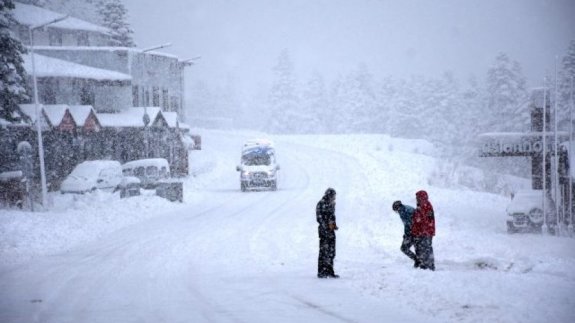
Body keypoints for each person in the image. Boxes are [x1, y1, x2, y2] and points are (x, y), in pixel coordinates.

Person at [316, 187, 339, 278]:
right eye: (333, 196)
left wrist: (334, 225)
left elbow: (332, 217)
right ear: (329, 195)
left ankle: (330, 271)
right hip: (324, 232)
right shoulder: (321, 204)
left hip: (331, 231)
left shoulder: (331, 204)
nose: (334, 198)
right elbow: (319, 218)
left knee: (331, 252)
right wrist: (326, 227)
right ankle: (321, 271)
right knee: (324, 251)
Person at [411, 190, 435, 271]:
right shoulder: (421, 205)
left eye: (418, 198)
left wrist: (422, 230)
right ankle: (424, 264)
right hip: (422, 232)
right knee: (422, 249)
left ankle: (428, 265)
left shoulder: (425, 206)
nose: (416, 199)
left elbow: (425, 220)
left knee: (426, 249)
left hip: (425, 232)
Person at [392, 200, 418, 267]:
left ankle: (417, 260)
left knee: (404, 248)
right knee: (416, 247)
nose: (397, 212)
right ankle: (419, 261)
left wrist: (407, 234)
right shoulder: (406, 208)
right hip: (417, 231)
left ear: (397, 207)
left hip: (413, 232)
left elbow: (408, 224)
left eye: (395, 210)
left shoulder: (403, 211)